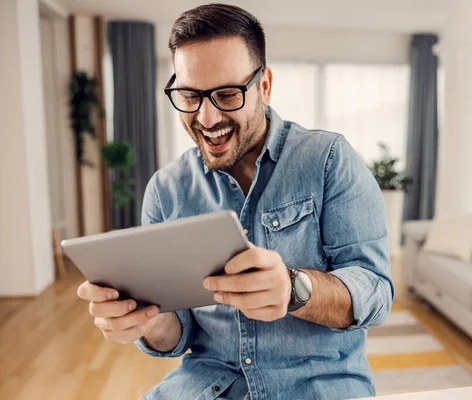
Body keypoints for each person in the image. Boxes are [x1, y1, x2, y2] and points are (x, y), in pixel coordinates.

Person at [77, 4, 394, 399]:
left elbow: (377, 294)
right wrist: (146, 322)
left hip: (317, 385)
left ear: (264, 85)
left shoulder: (328, 160)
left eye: (227, 94)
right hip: (206, 385)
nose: (207, 119)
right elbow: (179, 332)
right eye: (189, 95)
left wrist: (296, 288)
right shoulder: (165, 190)